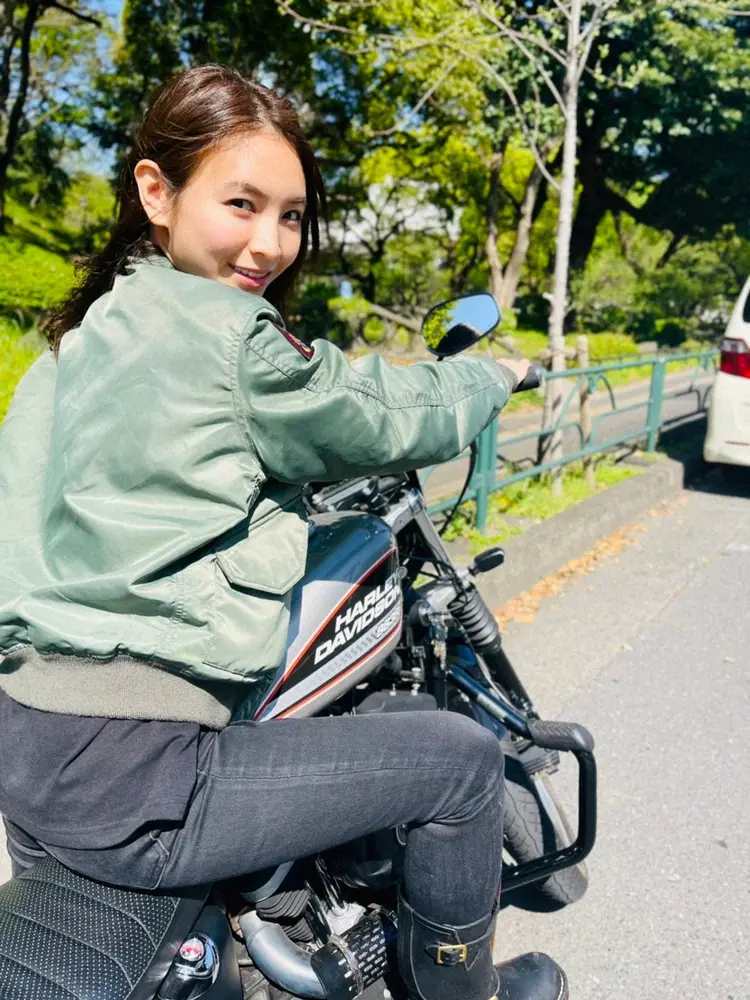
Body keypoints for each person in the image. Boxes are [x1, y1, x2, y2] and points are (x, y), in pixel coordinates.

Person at [0, 65, 567, 1000]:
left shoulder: (77, 342)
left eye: (293, 215)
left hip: (31, 749)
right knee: (460, 765)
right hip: (136, 776)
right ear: (156, 191)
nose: (270, 243)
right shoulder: (234, 335)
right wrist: (494, 376)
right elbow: (378, 413)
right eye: (242, 204)